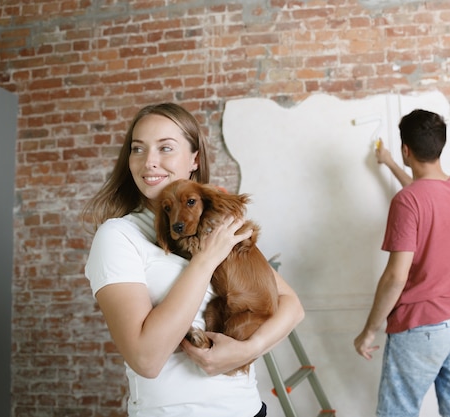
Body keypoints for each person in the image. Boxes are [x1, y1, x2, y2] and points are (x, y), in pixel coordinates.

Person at [82, 102, 305, 417]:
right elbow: (146, 359)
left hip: (248, 410)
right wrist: (205, 260)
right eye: (138, 149)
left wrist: (246, 351)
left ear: (194, 159)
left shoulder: (214, 224)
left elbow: (292, 305)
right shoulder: (117, 237)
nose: (150, 162)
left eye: (166, 148)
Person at [354, 109, 450, 417]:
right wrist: (391, 164)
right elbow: (424, 191)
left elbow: (396, 277)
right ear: (440, 145)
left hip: (423, 325)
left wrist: (370, 330)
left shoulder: (407, 201)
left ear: (406, 149)